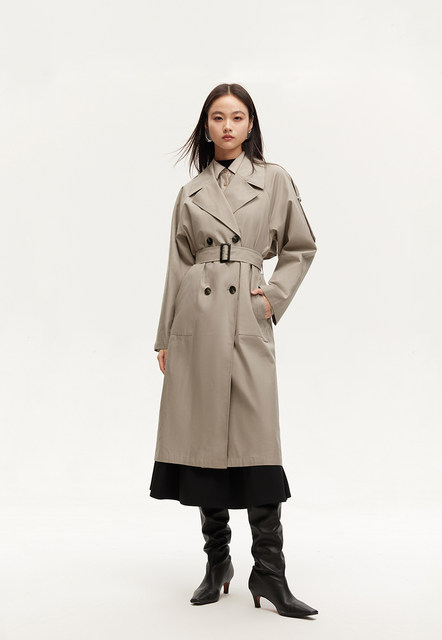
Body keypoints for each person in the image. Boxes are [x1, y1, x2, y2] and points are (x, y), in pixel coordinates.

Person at [149, 83, 318, 618]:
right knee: (204, 441)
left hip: (247, 312)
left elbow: (300, 246)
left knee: (256, 440)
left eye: (237, 117)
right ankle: (217, 563)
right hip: (196, 323)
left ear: (250, 125)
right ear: (206, 127)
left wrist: (272, 298)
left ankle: (269, 571)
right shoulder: (190, 193)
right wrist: (166, 336)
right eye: (218, 117)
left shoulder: (273, 179)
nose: (227, 126)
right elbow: (177, 267)